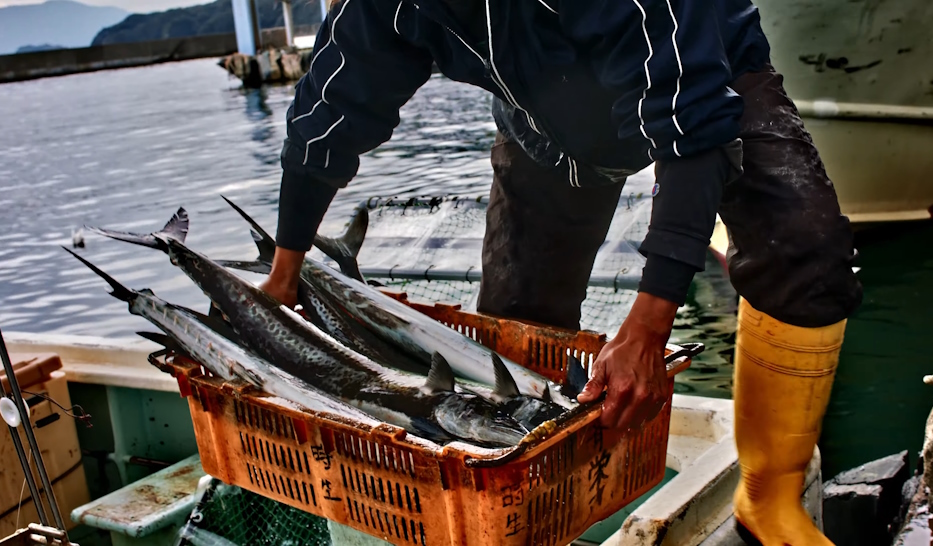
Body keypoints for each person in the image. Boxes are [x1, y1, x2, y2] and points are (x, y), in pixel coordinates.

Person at [259, 0, 863, 543]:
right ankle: (526, 521)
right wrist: (285, 272)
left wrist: (647, 329)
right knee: (515, 338)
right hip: (545, 126)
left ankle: (769, 499)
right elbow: (326, 113)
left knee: (804, 247)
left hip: (710, 76)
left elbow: (692, 129)